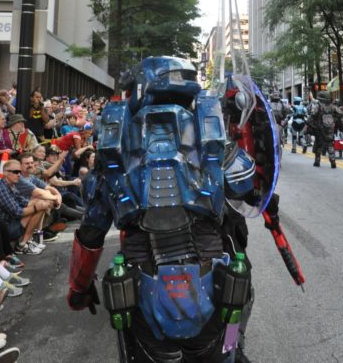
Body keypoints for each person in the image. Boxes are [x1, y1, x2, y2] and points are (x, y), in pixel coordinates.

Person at [67, 56, 292, 363]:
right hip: (215, 278)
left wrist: (79, 288)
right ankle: (233, 347)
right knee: (227, 345)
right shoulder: (213, 141)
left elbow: (92, 231)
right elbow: (248, 188)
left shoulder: (113, 150)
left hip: (139, 283)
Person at [0, 158, 50, 255]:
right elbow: (17, 212)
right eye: (15, 172)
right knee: (38, 207)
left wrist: (40, 203)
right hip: (4, 228)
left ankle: (26, 242)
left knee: (40, 204)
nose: (19, 174)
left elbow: (24, 202)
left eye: (20, 172)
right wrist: (36, 207)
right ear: (5, 173)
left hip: (12, 222)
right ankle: (22, 245)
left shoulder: (11, 184)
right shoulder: (0, 188)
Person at [307, 91, 343, 168]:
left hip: (319, 128)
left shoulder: (319, 106)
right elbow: (340, 114)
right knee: (330, 144)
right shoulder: (332, 106)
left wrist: (310, 124)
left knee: (318, 144)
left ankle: (317, 161)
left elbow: (313, 114)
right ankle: (332, 160)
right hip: (330, 128)